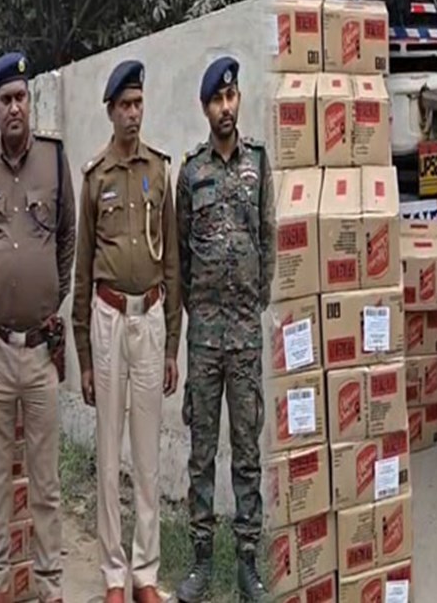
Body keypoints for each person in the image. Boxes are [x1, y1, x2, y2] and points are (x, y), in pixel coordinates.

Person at [0, 51, 75, 603]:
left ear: (30, 103)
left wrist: (51, 295)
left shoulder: (54, 160)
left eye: (21, 98)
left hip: (38, 353)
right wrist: (2, 289)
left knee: (45, 480)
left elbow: (67, 238)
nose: (15, 107)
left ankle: (50, 583)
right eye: (5, 99)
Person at [72, 60, 181, 603]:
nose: (133, 114)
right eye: (124, 106)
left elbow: (173, 262)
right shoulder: (96, 177)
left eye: (138, 104)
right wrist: (84, 356)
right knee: (109, 453)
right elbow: (82, 267)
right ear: (110, 112)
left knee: (147, 455)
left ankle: (145, 573)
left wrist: (173, 345)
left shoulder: (159, 171)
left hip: (151, 318)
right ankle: (113, 574)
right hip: (108, 317)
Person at [175, 56, 276, 602]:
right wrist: (201, 312)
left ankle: (247, 563)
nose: (226, 107)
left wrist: (255, 302)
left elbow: (268, 238)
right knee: (201, 455)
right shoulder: (191, 173)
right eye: (217, 100)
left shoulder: (258, 162)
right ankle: (199, 562)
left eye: (231, 97)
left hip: (244, 338)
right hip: (205, 340)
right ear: (205, 108)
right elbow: (181, 257)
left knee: (247, 453)